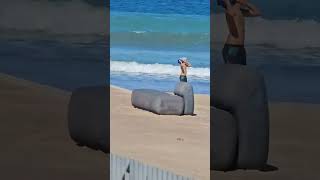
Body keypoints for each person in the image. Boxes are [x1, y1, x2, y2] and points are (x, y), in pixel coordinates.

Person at [220, 0, 261, 65]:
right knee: (233, 73)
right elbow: (230, 12)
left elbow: (257, 12)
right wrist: (228, 3)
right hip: (232, 48)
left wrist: (246, 3)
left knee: (241, 73)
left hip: (241, 48)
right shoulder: (230, 10)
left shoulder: (241, 12)